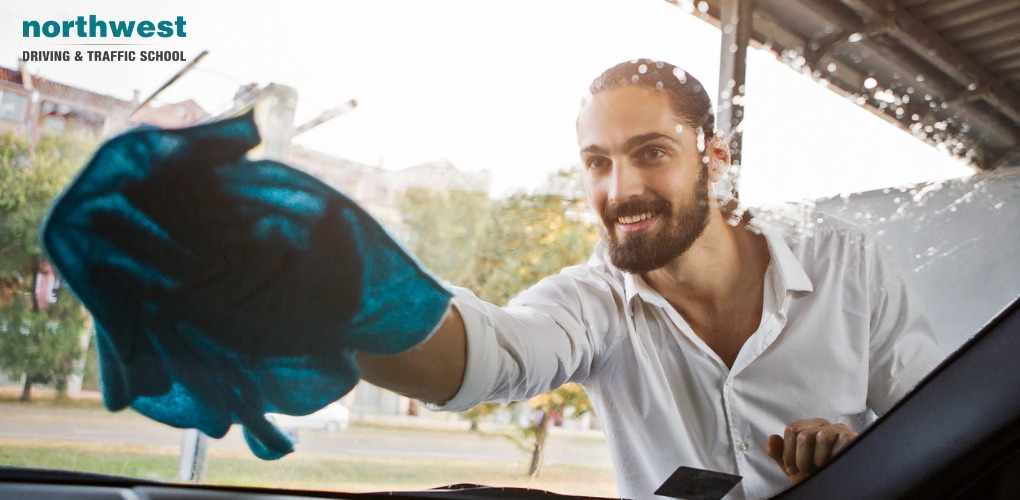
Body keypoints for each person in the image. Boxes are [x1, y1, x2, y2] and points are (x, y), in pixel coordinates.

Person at [356, 59, 943, 500]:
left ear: (713, 158)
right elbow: (487, 356)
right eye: (598, 163)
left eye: (652, 153)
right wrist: (328, 305)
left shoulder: (849, 264)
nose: (620, 190)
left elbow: (946, 429)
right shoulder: (591, 301)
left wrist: (861, 463)